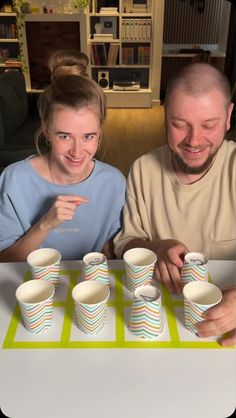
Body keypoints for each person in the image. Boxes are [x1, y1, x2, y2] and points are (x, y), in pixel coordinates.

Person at [114, 63, 236, 345]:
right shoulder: (142, 169)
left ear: (229, 116)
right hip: (158, 323)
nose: (194, 141)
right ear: (164, 116)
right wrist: (154, 247)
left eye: (209, 125)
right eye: (179, 125)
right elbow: (126, 243)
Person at [0, 74, 126, 261]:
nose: (77, 152)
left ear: (99, 133)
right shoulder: (14, 179)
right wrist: (44, 225)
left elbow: (111, 250)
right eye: (64, 136)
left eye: (88, 136)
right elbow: (4, 261)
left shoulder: (114, 182)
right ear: (47, 131)